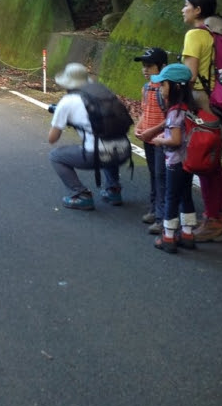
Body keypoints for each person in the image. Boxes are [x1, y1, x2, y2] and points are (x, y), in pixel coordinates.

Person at [180, 0, 222, 242]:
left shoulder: (195, 35)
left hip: (202, 103)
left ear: (198, 10)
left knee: (203, 162)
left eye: (186, 5)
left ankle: (213, 220)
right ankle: (217, 216)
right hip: (220, 102)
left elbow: (189, 76)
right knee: (213, 161)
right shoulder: (219, 33)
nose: (183, 9)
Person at [48, 63, 131, 211]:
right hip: (124, 151)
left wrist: (66, 119)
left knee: (55, 156)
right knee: (105, 141)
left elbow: (52, 138)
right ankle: (113, 190)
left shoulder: (67, 102)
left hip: (97, 155)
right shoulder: (103, 93)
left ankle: (81, 195)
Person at [149, 63, 198, 253]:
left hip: (175, 162)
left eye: (163, 85)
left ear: (176, 87)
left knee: (171, 196)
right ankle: (187, 234)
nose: (160, 89)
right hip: (189, 161)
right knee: (186, 195)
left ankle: (168, 236)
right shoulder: (190, 108)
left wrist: (161, 140)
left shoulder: (174, 112)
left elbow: (175, 139)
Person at [132, 47, 168, 234]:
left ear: (162, 66)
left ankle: (163, 218)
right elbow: (145, 111)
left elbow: (171, 118)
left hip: (162, 141)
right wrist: (139, 126)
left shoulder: (166, 89)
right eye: (143, 66)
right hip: (148, 139)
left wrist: (150, 132)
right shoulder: (146, 88)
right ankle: (154, 209)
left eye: (149, 66)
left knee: (162, 178)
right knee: (154, 175)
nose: (145, 70)